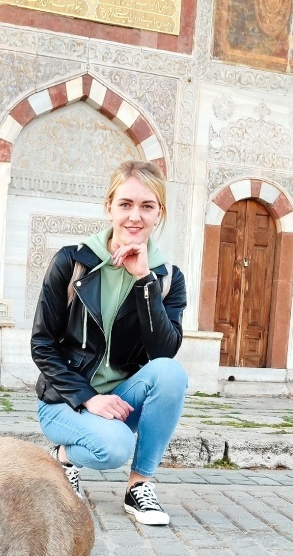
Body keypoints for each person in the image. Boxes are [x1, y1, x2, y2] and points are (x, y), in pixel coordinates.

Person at [31, 159, 188, 526]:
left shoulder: (167, 279)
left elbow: (163, 352)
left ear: (159, 213)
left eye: (147, 206)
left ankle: (139, 487)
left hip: (119, 403)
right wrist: (88, 397)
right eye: (126, 204)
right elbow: (42, 344)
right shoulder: (72, 262)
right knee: (115, 448)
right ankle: (65, 456)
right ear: (109, 207)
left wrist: (144, 280)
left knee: (171, 373)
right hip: (65, 401)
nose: (135, 216)